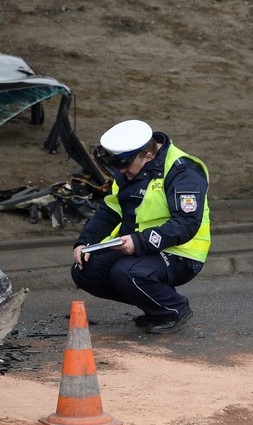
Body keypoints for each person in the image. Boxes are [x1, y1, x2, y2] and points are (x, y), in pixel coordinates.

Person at [71, 119, 210, 334]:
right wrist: (85, 242)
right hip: (139, 246)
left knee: (126, 273)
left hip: (181, 252)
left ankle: (173, 309)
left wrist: (139, 241)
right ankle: (155, 303)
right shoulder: (128, 171)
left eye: (126, 164)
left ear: (148, 155)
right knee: (85, 271)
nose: (122, 170)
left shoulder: (183, 172)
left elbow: (186, 224)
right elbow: (110, 210)